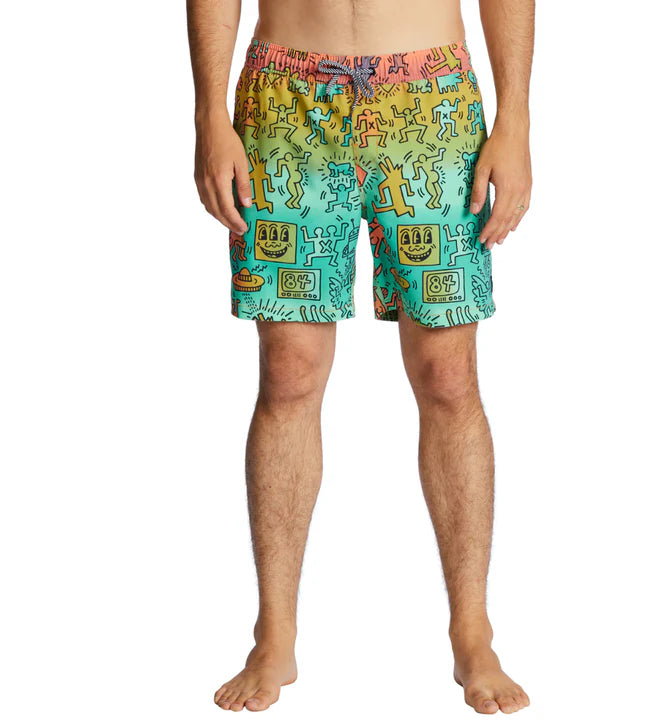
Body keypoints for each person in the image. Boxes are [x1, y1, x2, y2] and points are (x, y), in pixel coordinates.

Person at [187, 0, 533, 713]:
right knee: (288, 373)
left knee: (449, 375)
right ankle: (274, 633)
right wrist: (208, 114)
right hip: (286, 97)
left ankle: (473, 631)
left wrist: (516, 120)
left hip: (430, 101)